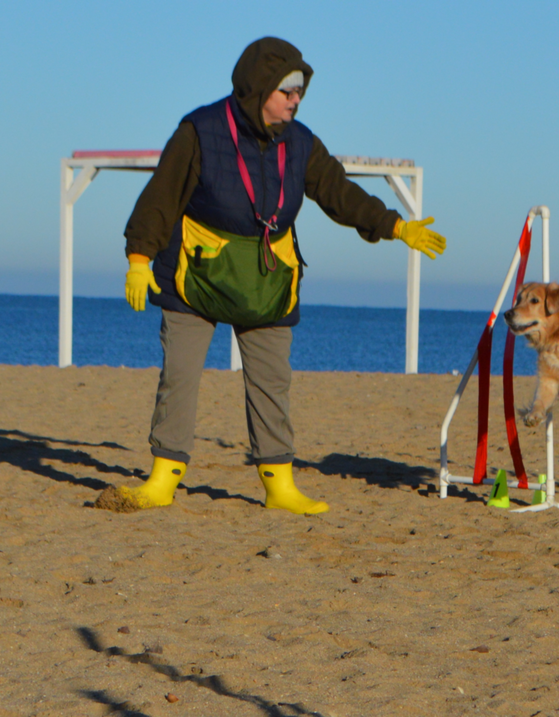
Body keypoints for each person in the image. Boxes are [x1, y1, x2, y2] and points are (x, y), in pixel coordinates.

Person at [111, 37, 446, 515]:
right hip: (195, 275)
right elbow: (160, 196)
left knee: (272, 382)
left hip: (269, 276)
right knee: (180, 377)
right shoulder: (200, 130)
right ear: (258, 87)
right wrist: (140, 258)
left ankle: (279, 485)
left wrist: (393, 225)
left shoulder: (302, 141)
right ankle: (163, 479)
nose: (295, 99)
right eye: (287, 90)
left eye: (300, 91)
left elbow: (337, 191)